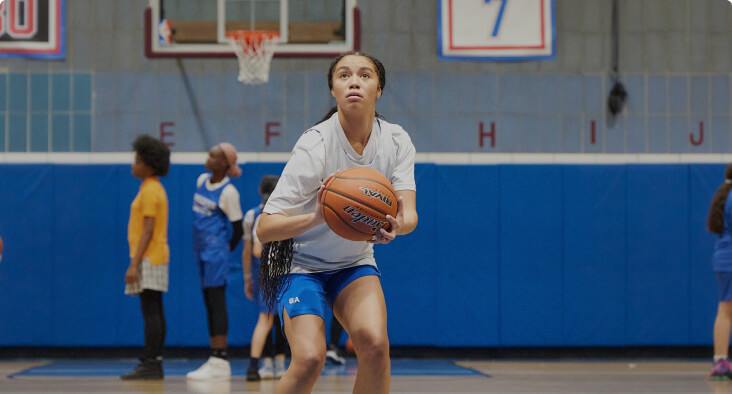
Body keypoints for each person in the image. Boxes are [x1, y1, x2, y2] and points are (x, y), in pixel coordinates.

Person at [256, 51, 418, 393]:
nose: (354, 81)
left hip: (353, 261)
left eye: (365, 75)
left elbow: (409, 215)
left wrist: (395, 227)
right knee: (311, 358)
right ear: (333, 89)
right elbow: (265, 227)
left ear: (379, 88)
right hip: (298, 264)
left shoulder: (396, 140)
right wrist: (316, 217)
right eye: (344, 75)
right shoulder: (315, 143)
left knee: (375, 346)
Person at [187, 143, 244, 381]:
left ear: (224, 163)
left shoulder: (229, 192)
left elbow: (238, 229)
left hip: (215, 253)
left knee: (216, 301)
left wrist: (223, 249)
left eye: (213, 156)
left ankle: (220, 357)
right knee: (208, 303)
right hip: (200, 250)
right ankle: (214, 357)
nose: (208, 158)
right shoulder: (201, 180)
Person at [121, 135, 171, 380]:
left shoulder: (151, 190)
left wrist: (134, 263)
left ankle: (152, 363)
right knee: (154, 309)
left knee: (151, 310)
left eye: (137, 160)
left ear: (149, 165)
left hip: (150, 257)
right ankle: (153, 361)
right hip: (153, 256)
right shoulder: (151, 187)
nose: (134, 164)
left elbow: (148, 230)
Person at [243, 175, 288, 381]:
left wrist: (247, 278)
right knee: (271, 318)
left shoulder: (254, 215)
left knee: (276, 318)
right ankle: (260, 365)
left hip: (269, 271)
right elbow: (254, 250)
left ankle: (274, 363)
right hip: (276, 270)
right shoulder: (266, 215)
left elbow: (249, 252)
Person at [707, 163, 732, 381]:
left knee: (725, 309)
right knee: (726, 309)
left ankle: (720, 361)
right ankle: (721, 362)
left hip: (723, 258)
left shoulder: (724, 196)